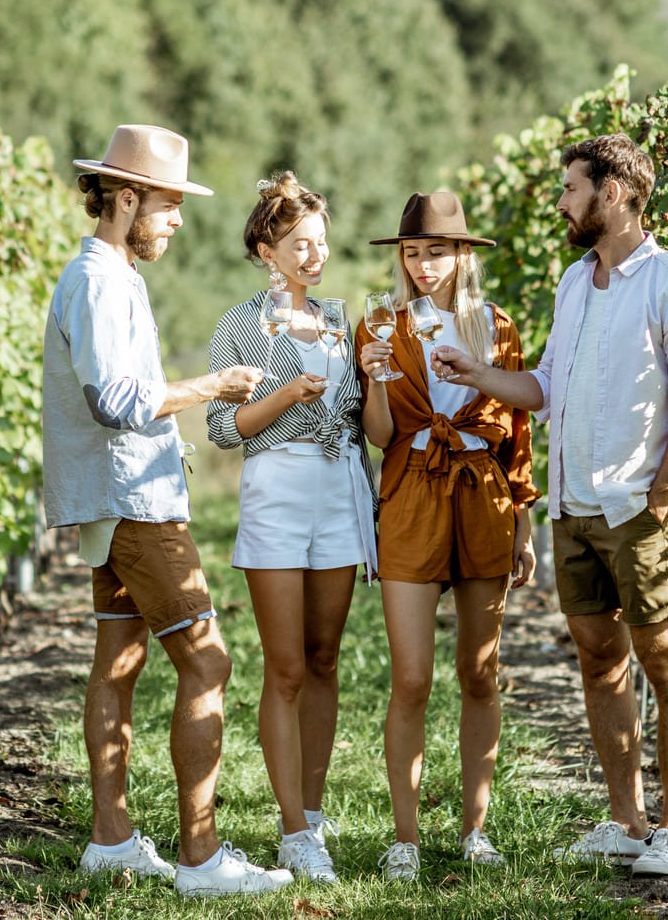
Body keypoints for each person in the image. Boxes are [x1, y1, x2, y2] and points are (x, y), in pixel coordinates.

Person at [433, 134, 668, 879]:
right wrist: (479, 371)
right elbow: (546, 386)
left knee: (665, 659)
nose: (561, 201)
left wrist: (661, 499)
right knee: (598, 658)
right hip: (574, 508)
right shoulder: (571, 280)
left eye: (571, 188)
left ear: (613, 192)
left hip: (637, 510)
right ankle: (628, 821)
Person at [41, 123, 293, 898]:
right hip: (134, 500)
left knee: (119, 659)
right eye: (168, 204)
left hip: (116, 499)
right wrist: (211, 387)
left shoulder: (110, 275)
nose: (178, 219)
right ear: (126, 198)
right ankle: (201, 856)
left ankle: (112, 841)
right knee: (208, 660)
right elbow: (116, 402)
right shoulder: (100, 281)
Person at [355, 190, 536, 883]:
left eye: (434, 251)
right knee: (412, 676)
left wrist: (523, 521)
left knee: (479, 671)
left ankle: (475, 828)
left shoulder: (497, 326)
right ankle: (405, 836)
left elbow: (517, 434)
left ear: (463, 254)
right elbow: (377, 436)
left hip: (482, 496)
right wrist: (373, 383)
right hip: (408, 493)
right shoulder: (381, 324)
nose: (422, 265)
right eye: (411, 252)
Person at [205, 171, 377, 885]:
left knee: (326, 657)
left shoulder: (341, 319)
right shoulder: (239, 324)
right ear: (266, 248)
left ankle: (313, 808)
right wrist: (282, 394)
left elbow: (365, 421)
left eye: (321, 243)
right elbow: (222, 428)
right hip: (276, 488)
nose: (314, 255)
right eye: (299, 244)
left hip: (338, 488)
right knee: (285, 666)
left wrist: (377, 377)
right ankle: (292, 830)